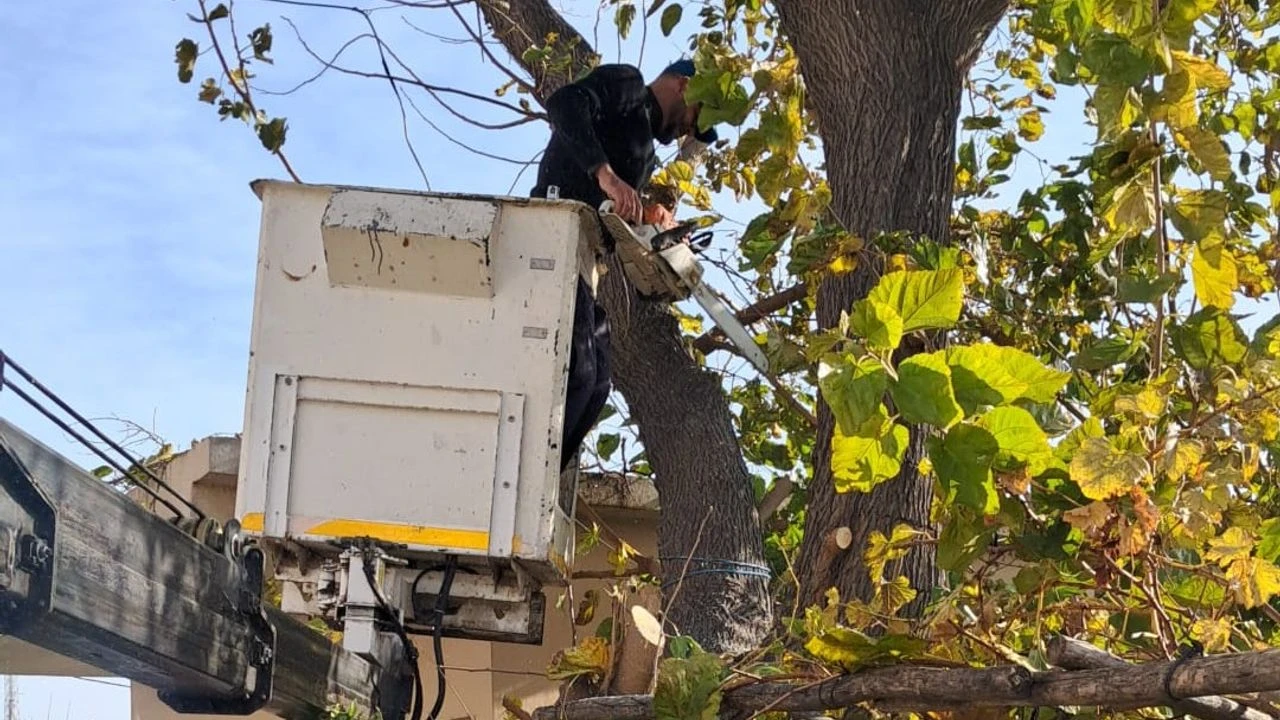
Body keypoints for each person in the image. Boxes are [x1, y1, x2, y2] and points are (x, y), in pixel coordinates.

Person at [530, 59, 720, 472]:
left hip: (584, 257)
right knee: (578, 372)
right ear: (683, 85)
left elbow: (619, 213)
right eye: (695, 116)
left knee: (597, 383)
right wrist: (605, 174)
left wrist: (650, 218)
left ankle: (544, 475)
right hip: (554, 228)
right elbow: (565, 103)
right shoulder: (627, 86)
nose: (688, 129)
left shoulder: (645, 154)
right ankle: (528, 471)